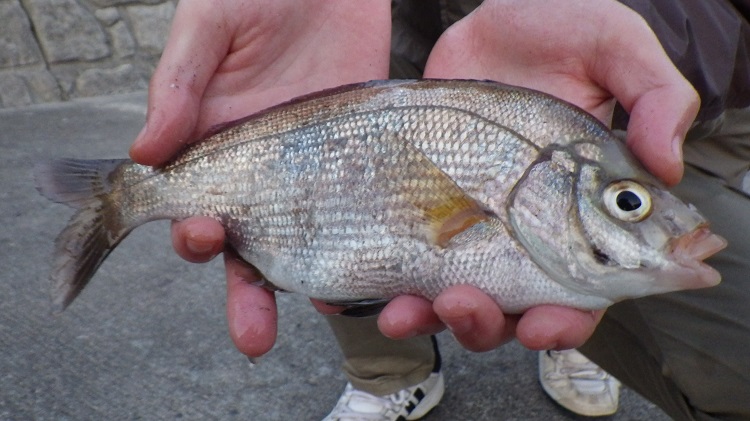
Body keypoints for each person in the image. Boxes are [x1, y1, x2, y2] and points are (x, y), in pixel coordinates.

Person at [129, 1, 750, 420]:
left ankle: (577, 325)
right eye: (628, 203)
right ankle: (390, 377)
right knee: (348, 253)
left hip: (582, 68)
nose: (644, 215)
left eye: (628, 202)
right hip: (368, 31)